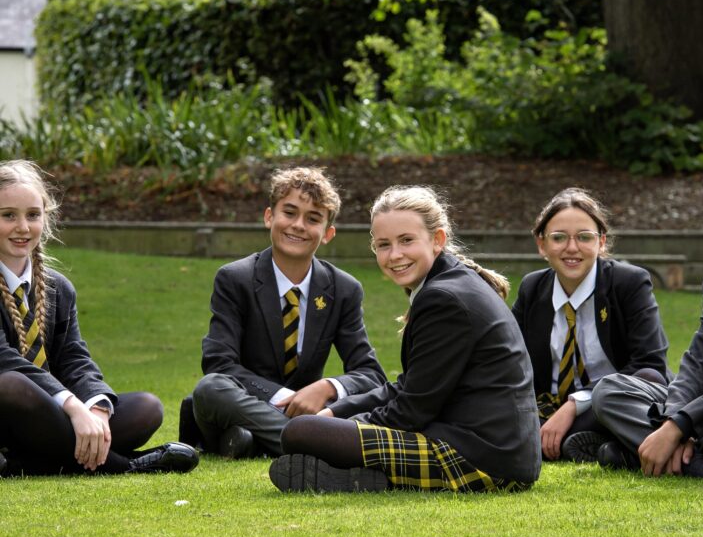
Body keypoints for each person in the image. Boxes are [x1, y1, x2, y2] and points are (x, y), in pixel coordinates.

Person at [269, 185, 542, 493]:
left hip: (482, 458)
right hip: (494, 449)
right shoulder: (448, 282)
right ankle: (358, 478)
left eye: (406, 241)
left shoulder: (444, 297)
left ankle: (358, 476)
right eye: (383, 245)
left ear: (437, 240)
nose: (395, 255)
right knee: (315, 429)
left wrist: (345, 425)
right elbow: (411, 385)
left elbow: (412, 410)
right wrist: (337, 411)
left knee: (302, 432)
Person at [0, 160, 198, 477]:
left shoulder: (57, 288)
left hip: (51, 417)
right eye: (8, 215)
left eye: (33, 215)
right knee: (10, 385)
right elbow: (5, 360)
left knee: (147, 408)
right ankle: (126, 465)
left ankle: (24, 463)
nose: (23, 227)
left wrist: (96, 408)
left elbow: (74, 357)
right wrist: (72, 407)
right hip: (10, 411)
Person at [592, 143, 703, 482]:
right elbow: (700, 360)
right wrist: (674, 418)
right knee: (609, 392)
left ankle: (643, 453)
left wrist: (682, 424)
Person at [189, 166, 385, 458]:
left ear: (328, 233)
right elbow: (219, 363)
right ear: (269, 217)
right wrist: (283, 398)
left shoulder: (344, 289)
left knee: (372, 400)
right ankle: (315, 444)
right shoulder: (235, 278)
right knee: (210, 388)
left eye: (313, 219)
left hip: (305, 410)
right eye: (289, 212)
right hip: (243, 401)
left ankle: (255, 441)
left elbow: (371, 375)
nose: (298, 225)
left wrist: (326, 387)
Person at [512, 188, 670, 462]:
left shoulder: (629, 283)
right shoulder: (532, 288)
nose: (571, 248)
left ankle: (587, 440)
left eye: (584, 237)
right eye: (559, 238)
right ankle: (608, 447)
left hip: (615, 401)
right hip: (549, 406)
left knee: (636, 388)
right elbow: (510, 360)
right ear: (541, 244)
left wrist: (576, 404)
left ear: (601, 242)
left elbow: (651, 364)